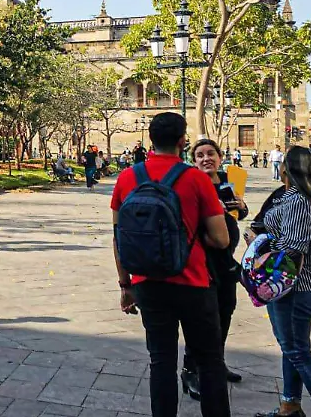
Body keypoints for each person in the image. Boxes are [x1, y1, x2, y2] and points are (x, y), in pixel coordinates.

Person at [111, 113, 231, 417]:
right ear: (182, 141)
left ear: (150, 140)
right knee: (209, 361)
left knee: (161, 361)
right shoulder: (196, 179)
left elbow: (118, 237)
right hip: (193, 283)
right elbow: (221, 240)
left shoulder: (127, 178)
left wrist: (126, 286)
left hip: (147, 284)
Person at [250, 146, 311, 417]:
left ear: (288, 169)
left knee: (298, 351)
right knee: (291, 349)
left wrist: (260, 246)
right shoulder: (294, 197)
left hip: (294, 286)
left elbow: (293, 246)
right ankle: (290, 406)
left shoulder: (300, 200)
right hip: (287, 287)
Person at [181, 139, 249, 401]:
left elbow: (238, 215)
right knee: (202, 318)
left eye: (211, 153)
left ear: (220, 157)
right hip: (203, 261)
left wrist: (241, 208)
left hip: (226, 262)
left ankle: (215, 363)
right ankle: (191, 369)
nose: (206, 158)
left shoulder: (227, 180)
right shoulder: (191, 182)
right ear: (193, 160)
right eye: (199, 155)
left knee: (225, 311)